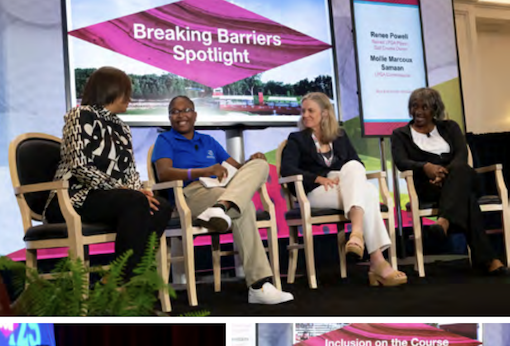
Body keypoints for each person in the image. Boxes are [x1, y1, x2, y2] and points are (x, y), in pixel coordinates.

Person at [152, 95, 294, 304]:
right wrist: (204, 170)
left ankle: (222, 207)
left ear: (195, 114)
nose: (180, 115)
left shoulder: (208, 141)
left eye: (186, 110)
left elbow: (237, 169)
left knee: (260, 166)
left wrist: (251, 162)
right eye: (174, 111)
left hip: (221, 191)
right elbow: (163, 173)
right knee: (243, 205)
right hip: (192, 194)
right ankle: (258, 286)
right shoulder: (165, 140)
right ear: (169, 117)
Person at [45, 66, 173, 279]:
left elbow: (130, 171)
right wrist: (124, 190)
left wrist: (141, 192)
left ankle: (124, 278)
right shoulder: (80, 115)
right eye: (126, 91)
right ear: (110, 90)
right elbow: (79, 165)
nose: (130, 98)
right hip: (73, 198)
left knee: (161, 207)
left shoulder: (122, 128)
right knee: (134, 201)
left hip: (110, 198)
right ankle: (122, 280)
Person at [280, 91, 406, 287]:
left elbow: (357, 163)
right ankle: (376, 261)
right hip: (314, 192)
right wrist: (318, 178)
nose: (305, 115)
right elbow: (287, 169)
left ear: (325, 113)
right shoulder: (297, 139)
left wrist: (343, 178)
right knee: (370, 193)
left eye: (310, 110)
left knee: (354, 167)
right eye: (303, 111)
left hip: (343, 187)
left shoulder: (339, 136)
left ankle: (359, 238)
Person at [391, 87, 509, 276]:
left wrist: (444, 174)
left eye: (425, 107)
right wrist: (425, 167)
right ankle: (489, 260)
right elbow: (401, 161)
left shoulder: (450, 127)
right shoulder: (400, 134)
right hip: (429, 187)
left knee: (462, 170)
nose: (418, 111)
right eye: (414, 106)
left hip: (460, 177)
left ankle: (444, 220)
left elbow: (461, 154)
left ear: (435, 109)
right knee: (468, 199)